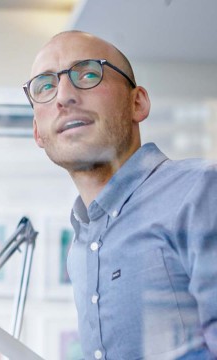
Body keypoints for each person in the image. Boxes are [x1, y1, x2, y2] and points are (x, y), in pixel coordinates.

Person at [25, 30, 217, 360]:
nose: (63, 96)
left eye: (87, 74)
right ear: (37, 133)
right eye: (45, 86)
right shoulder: (79, 249)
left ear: (137, 102)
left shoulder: (201, 190)